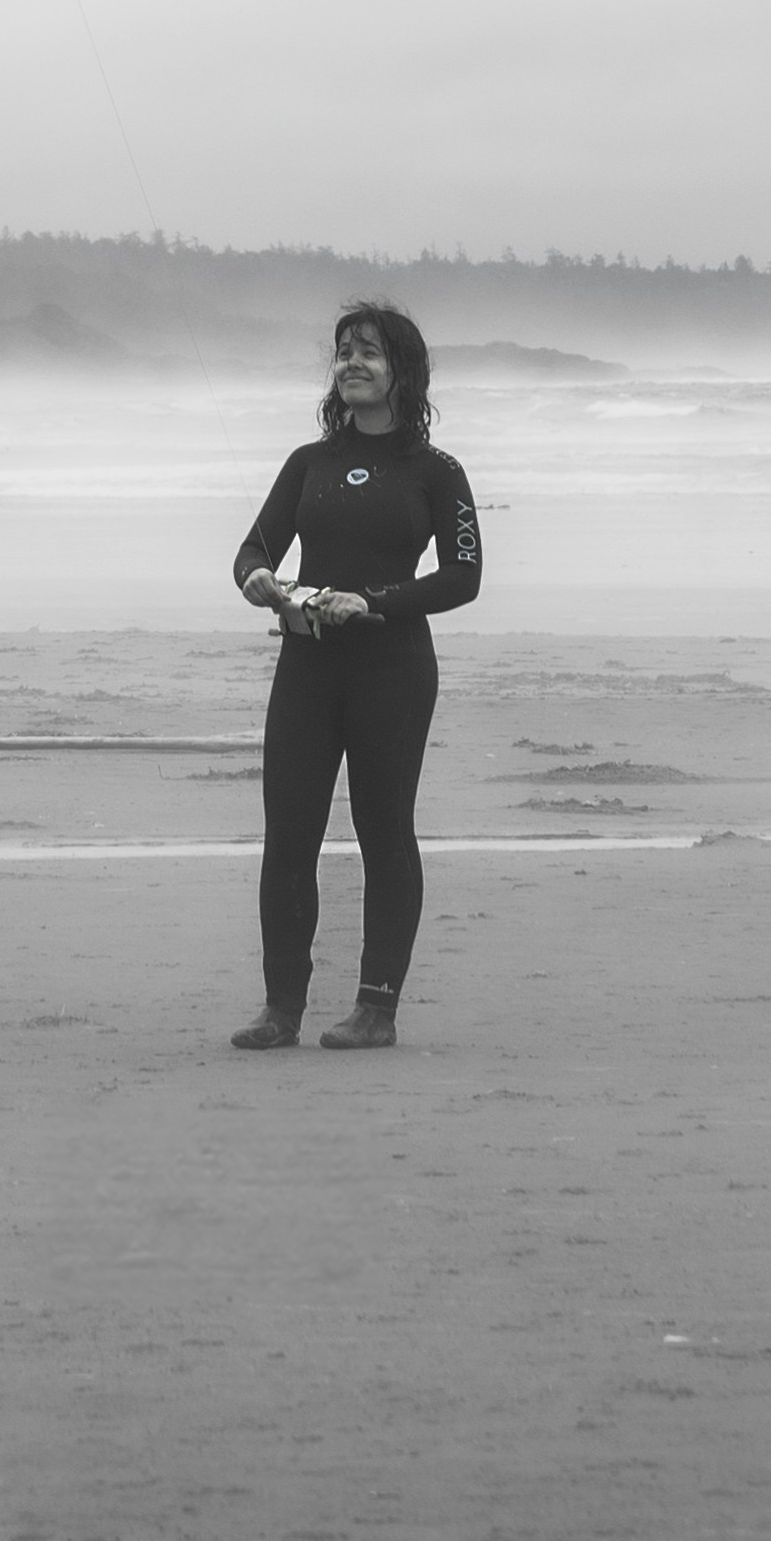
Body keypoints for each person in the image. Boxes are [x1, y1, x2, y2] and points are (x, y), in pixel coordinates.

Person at [227, 302, 481, 1050]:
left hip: (392, 671)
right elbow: (252, 549)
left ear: (403, 371)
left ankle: (376, 1009)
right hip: (306, 667)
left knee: (383, 833)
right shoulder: (308, 463)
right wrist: (257, 580)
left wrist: (373, 601)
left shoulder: (435, 471)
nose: (352, 363)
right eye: (343, 352)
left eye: (369, 352)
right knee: (290, 836)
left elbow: (463, 577)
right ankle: (281, 1009)